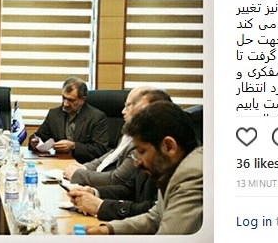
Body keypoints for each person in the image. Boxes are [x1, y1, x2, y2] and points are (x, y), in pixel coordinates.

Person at [86, 101, 202, 235]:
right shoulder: (171, 170)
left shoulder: (191, 175)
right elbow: (155, 219)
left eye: (142, 151)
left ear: (169, 146)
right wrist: (108, 229)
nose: (137, 162)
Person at [66, 89, 173, 221]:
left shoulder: (178, 168)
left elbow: (153, 212)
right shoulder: (144, 140)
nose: (136, 161)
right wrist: (95, 192)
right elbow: (130, 188)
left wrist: (101, 206)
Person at [63, 85, 154, 186]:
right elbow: (110, 155)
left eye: (128, 106)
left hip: (110, 187)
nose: (123, 111)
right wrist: (84, 167)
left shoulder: (142, 143)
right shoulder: (128, 134)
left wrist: (78, 175)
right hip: (99, 181)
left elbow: (116, 179)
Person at [28, 77, 109, 163]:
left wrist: (74, 146)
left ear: (82, 100)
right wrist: (34, 141)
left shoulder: (96, 117)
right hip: (59, 162)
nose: (65, 104)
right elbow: (39, 136)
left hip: (85, 165)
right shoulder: (54, 114)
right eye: (64, 98)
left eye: (71, 100)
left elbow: (100, 149)